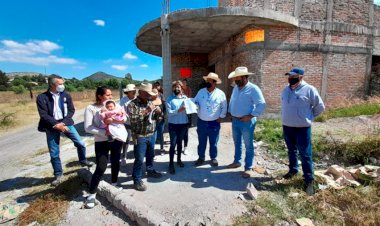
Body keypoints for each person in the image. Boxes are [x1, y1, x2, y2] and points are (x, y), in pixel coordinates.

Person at [36, 75, 93, 187]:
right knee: (54, 152)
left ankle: (82, 160)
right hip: (51, 126)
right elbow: (43, 114)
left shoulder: (66, 95)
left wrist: (63, 123)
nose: (62, 86)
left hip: (66, 123)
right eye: (60, 84)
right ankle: (58, 174)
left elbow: (71, 110)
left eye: (63, 83)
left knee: (80, 143)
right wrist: (56, 124)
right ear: (52, 85)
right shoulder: (42, 97)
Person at [281, 67, 325, 195]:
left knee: (305, 154)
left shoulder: (309, 89)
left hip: (302, 128)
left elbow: (320, 107)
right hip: (287, 126)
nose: (290, 78)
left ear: (301, 77)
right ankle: (293, 170)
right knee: (291, 150)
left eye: (293, 76)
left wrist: (308, 117)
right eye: (289, 76)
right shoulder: (285, 89)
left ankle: (309, 180)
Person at [84, 86, 125, 208]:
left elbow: (124, 118)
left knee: (115, 161)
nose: (111, 97)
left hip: (116, 139)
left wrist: (117, 120)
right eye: (108, 95)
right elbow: (88, 127)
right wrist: (105, 133)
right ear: (100, 96)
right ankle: (91, 194)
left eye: (111, 95)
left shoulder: (114, 105)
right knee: (101, 166)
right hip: (101, 141)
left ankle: (114, 182)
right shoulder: (91, 108)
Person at [227, 66, 266, 178]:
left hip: (246, 122)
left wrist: (251, 115)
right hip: (235, 120)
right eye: (235, 78)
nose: (235, 80)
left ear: (245, 77)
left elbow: (261, 104)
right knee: (237, 143)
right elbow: (232, 101)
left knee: (248, 145)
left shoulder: (253, 89)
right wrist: (230, 112)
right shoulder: (235, 88)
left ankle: (248, 167)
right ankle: (237, 161)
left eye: (238, 77)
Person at [128, 82, 163, 191]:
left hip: (151, 134)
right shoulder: (132, 104)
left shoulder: (149, 101)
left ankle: (150, 169)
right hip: (140, 136)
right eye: (147, 93)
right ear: (141, 92)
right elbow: (133, 119)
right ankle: (137, 179)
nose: (149, 95)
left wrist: (158, 112)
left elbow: (156, 118)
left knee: (150, 155)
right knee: (139, 159)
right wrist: (147, 110)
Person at [193, 72, 227, 167]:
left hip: (214, 122)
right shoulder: (201, 92)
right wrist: (193, 105)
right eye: (206, 80)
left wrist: (221, 117)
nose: (207, 82)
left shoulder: (221, 94)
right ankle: (201, 158)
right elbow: (194, 101)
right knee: (201, 141)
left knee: (213, 142)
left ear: (215, 82)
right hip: (202, 122)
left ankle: (213, 158)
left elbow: (224, 106)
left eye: (209, 81)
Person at [166, 80, 189, 174]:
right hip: (173, 125)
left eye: (178, 86)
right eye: (175, 87)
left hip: (183, 124)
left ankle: (179, 160)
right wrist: (179, 110)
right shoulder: (169, 99)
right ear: (173, 88)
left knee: (180, 143)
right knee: (173, 144)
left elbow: (189, 110)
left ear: (181, 88)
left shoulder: (186, 98)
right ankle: (171, 163)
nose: (177, 88)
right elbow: (169, 113)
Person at [119, 84, 137, 162]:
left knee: (137, 139)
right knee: (127, 139)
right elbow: (121, 110)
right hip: (127, 123)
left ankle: (137, 154)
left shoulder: (137, 99)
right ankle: (124, 156)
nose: (133, 92)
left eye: (134, 91)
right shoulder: (123, 100)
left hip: (137, 122)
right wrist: (126, 117)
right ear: (128, 92)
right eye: (131, 91)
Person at [153, 82, 166, 154]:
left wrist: (163, 114)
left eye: (157, 85)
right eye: (155, 85)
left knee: (161, 133)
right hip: (153, 120)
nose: (156, 87)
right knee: (153, 135)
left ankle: (162, 148)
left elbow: (164, 106)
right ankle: (152, 149)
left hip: (161, 119)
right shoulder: (150, 96)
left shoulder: (161, 95)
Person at [181, 78, 192, 155]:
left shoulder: (188, 89)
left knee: (186, 130)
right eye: (183, 82)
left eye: (185, 82)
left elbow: (189, 98)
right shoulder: (180, 89)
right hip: (180, 110)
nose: (184, 83)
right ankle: (179, 146)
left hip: (187, 109)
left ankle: (185, 147)